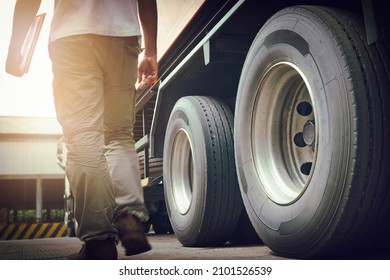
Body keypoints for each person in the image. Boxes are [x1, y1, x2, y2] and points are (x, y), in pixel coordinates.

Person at [6, 0, 158, 260]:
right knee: (119, 135)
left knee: (84, 137)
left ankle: (99, 240)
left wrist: (14, 46)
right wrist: (151, 51)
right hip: (122, 37)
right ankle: (129, 215)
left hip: (72, 37)